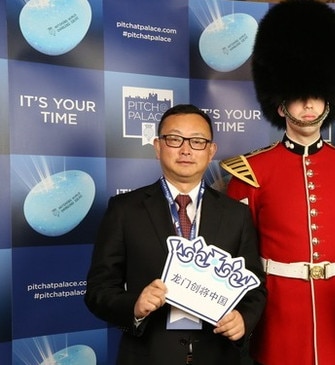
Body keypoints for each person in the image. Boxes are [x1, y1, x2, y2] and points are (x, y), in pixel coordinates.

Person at [219, 1, 335, 364]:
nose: (308, 104)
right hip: (278, 320)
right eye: (297, 95)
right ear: (280, 105)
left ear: (330, 99)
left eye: (316, 93)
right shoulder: (249, 172)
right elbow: (238, 256)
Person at [85, 104, 267, 365]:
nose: (186, 149)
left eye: (197, 141)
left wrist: (243, 319)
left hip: (218, 355)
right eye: (174, 139)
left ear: (211, 150)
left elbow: (255, 286)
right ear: (158, 146)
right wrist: (134, 305)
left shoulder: (236, 214)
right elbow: (98, 291)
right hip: (147, 355)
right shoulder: (124, 210)